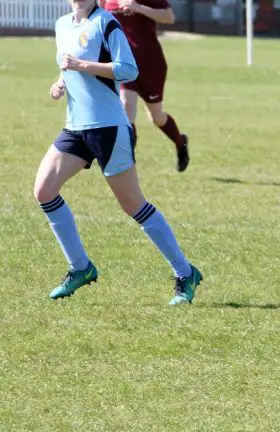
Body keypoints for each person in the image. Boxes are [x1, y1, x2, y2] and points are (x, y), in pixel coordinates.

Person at [39, 0, 203, 305]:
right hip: (75, 128)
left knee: (133, 205)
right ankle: (81, 268)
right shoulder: (62, 25)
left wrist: (82, 66)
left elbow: (128, 68)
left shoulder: (106, 23)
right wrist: (60, 83)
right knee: (44, 191)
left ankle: (185, 272)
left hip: (109, 128)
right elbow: (68, 63)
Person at [100, 0, 190, 172]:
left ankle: (180, 142)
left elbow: (169, 17)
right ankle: (126, 163)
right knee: (126, 107)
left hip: (151, 63)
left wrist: (137, 7)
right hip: (124, 63)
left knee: (157, 117)